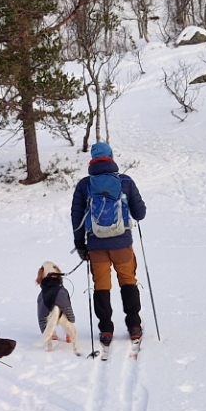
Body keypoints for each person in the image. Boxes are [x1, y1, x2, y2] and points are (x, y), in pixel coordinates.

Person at [70, 142, 147, 348]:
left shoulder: (84, 185)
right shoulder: (125, 181)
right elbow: (140, 213)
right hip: (122, 243)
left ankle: (106, 329)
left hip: (96, 245)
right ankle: (134, 326)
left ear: (92, 161)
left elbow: (76, 216)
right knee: (128, 281)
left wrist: (80, 244)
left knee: (101, 286)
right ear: (111, 158)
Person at [34, 261, 78, 353]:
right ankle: (69, 335)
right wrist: (71, 318)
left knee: (43, 311)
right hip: (62, 310)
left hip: (47, 309)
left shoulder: (42, 295)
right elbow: (67, 308)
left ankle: (50, 336)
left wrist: (44, 329)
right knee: (65, 310)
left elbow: (41, 316)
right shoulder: (62, 291)